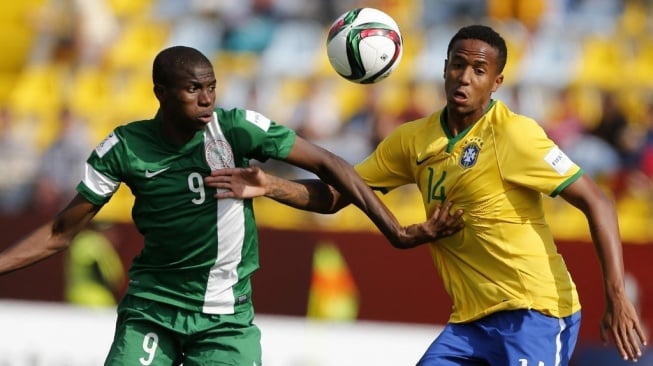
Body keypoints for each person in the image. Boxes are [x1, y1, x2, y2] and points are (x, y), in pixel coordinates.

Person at [206, 25, 647, 365]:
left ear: (497, 81)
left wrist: (617, 295)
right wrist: (272, 186)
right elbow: (339, 196)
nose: (465, 77)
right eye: (458, 65)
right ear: (443, 67)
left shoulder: (516, 135)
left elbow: (597, 200)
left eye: (479, 70)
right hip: (470, 322)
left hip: (536, 312)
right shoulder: (412, 141)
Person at [0, 45, 464, 366]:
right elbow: (62, 231)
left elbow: (329, 163)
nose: (206, 100)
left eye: (212, 88)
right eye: (192, 90)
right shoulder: (123, 147)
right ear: (161, 93)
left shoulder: (237, 129)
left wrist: (397, 232)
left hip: (226, 319)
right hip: (152, 310)